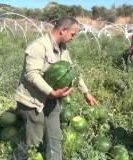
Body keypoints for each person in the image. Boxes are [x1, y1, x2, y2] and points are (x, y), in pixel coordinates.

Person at [11, 16, 97, 160]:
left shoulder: (63, 49)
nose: (73, 38)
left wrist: (86, 93)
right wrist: (52, 92)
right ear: (63, 30)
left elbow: (73, 71)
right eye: (72, 34)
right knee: (33, 141)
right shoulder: (38, 47)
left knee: (55, 137)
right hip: (32, 101)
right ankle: (14, 158)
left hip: (52, 99)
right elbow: (32, 74)